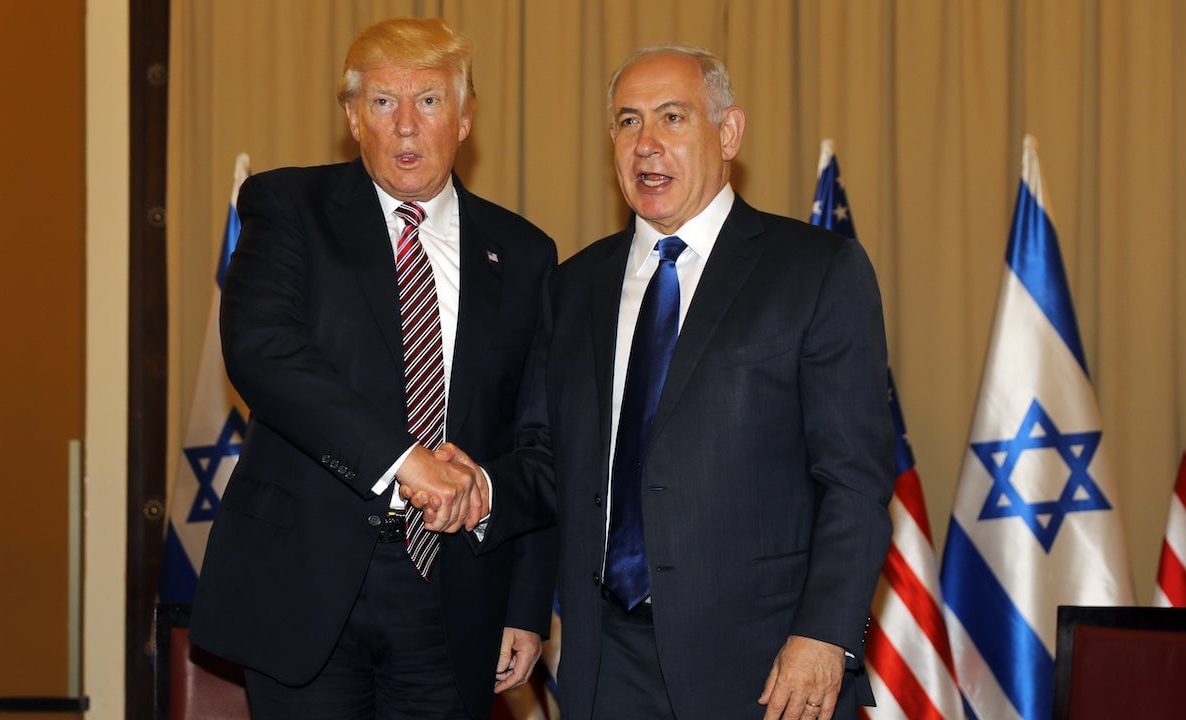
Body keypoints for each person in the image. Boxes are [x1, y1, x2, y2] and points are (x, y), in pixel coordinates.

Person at [483, 44, 894, 719]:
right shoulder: (575, 286)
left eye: (673, 118)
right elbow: (547, 461)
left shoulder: (815, 271)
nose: (646, 145)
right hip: (604, 660)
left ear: (727, 133)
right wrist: (488, 519)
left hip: (765, 664)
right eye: (627, 122)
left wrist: (824, 634)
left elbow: (854, 479)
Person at [188, 17, 558, 720]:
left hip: (455, 595)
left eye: (430, 101)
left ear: (466, 118)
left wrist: (527, 603)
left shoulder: (526, 253)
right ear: (354, 119)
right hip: (308, 587)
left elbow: (537, 439)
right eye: (384, 102)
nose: (407, 127)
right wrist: (404, 461)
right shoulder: (287, 207)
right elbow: (263, 352)